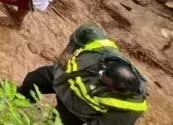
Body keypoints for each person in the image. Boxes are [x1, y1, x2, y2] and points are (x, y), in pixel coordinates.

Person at [17, 24, 148, 124]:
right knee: (33, 79)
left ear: (118, 91)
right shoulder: (103, 49)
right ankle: (19, 100)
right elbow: (87, 29)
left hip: (77, 109)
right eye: (102, 75)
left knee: (54, 121)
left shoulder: (132, 107)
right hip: (65, 76)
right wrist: (67, 52)